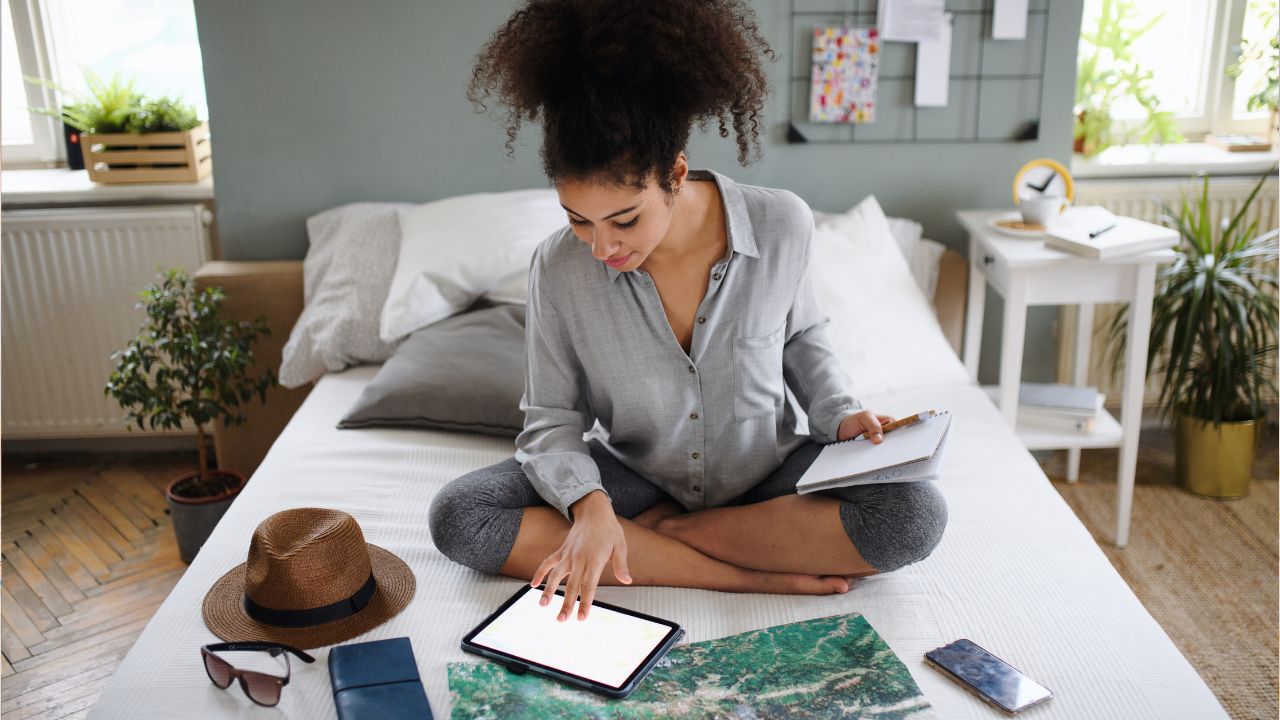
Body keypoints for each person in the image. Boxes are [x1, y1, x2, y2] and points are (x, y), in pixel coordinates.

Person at [430, 0, 947, 624]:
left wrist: (839, 415)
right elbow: (552, 418)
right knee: (460, 516)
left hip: (768, 471)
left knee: (916, 514)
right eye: (578, 220)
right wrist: (592, 508)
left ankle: (663, 534)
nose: (602, 247)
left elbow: (802, 337)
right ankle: (734, 573)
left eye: (624, 220)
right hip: (634, 476)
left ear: (674, 174)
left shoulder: (781, 222)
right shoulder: (557, 267)